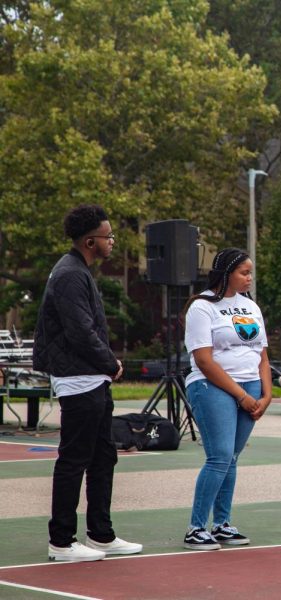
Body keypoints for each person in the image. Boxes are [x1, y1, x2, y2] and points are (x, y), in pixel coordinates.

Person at [33, 204, 142, 562]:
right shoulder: (69, 274)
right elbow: (80, 330)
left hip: (91, 378)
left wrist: (104, 367)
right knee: (74, 459)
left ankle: (101, 534)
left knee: (103, 457)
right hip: (79, 380)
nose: (113, 241)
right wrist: (110, 362)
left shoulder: (78, 271)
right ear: (91, 241)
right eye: (108, 236)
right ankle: (61, 542)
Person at [182, 248, 272, 550]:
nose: (249, 278)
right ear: (226, 273)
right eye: (244, 272)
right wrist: (242, 395)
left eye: (251, 272)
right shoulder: (202, 307)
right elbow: (204, 361)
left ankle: (221, 524)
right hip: (212, 387)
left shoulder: (251, 307)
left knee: (231, 458)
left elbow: (261, 355)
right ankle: (196, 528)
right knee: (219, 456)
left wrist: (267, 393)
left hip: (250, 387)